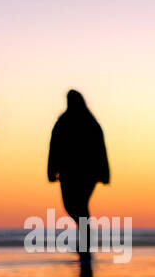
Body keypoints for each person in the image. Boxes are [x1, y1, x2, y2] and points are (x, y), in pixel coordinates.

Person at [47, 90, 110, 251]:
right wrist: (51, 170)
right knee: (73, 206)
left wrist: (105, 172)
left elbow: (100, 148)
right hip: (69, 173)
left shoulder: (88, 122)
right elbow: (55, 147)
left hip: (85, 173)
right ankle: (86, 238)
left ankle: (86, 240)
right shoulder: (65, 121)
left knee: (78, 205)